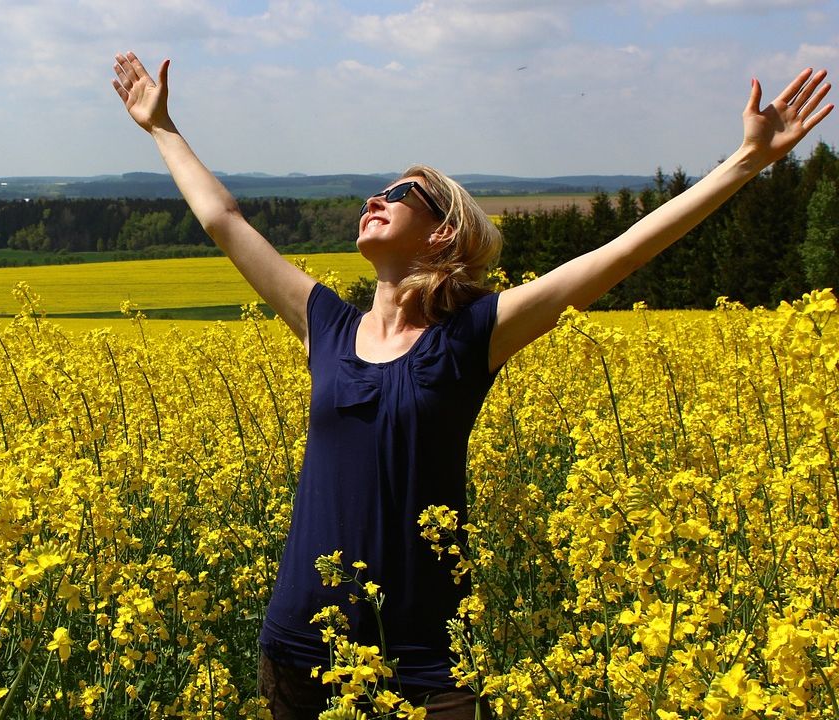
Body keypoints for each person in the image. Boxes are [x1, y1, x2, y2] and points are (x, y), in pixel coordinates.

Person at [111, 50, 832, 719]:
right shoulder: (324, 325)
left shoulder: (469, 337)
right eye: (379, 187)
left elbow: (613, 257)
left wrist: (744, 163)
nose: (377, 196)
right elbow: (223, 218)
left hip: (425, 665)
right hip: (301, 650)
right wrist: (162, 127)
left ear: (442, 235)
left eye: (403, 193)